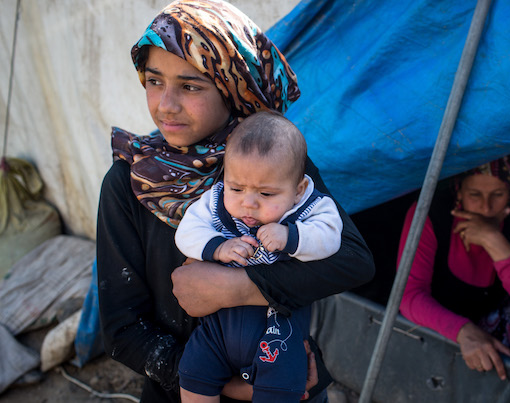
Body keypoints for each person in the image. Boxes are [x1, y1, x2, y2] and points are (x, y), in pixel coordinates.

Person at [96, 1, 374, 402]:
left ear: (234, 88)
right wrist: (233, 388)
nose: (166, 104)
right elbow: (123, 330)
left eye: (190, 86)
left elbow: (352, 261)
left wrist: (238, 288)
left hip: (285, 374)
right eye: (154, 81)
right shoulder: (131, 181)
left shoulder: (272, 163)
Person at [174, 112, 342, 402]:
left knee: (281, 385)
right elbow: (186, 231)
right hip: (219, 329)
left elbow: (331, 236)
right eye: (236, 188)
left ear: (298, 190)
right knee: (193, 371)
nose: (248, 203)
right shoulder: (215, 203)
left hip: (279, 334)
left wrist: (291, 237)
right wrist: (217, 247)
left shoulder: (311, 207)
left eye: (266, 193)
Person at [398, 153, 510, 380]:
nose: (485, 207)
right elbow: (408, 295)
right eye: (474, 195)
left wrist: (494, 241)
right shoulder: (429, 215)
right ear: (458, 192)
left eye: (498, 195)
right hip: (436, 325)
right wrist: (464, 332)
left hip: (493, 338)